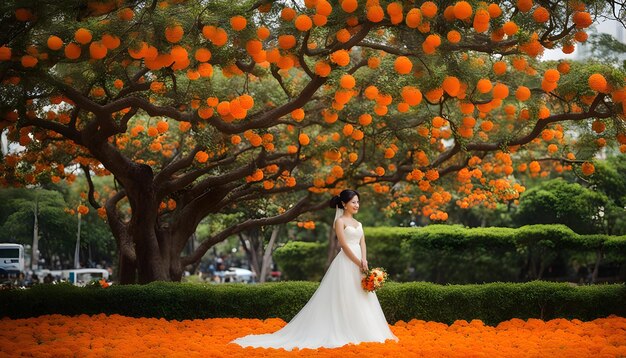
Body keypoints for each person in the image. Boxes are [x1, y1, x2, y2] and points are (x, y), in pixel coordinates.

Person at [231, 189, 398, 350]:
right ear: (344, 204)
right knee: (345, 296)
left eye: (357, 202)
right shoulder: (339, 222)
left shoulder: (358, 223)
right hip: (347, 262)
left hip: (360, 263)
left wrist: (364, 260)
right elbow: (344, 245)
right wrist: (357, 261)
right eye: (353, 202)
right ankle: (345, 330)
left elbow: (362, 242)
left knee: (361, 296)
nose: (356, 205)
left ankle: (364, 331)